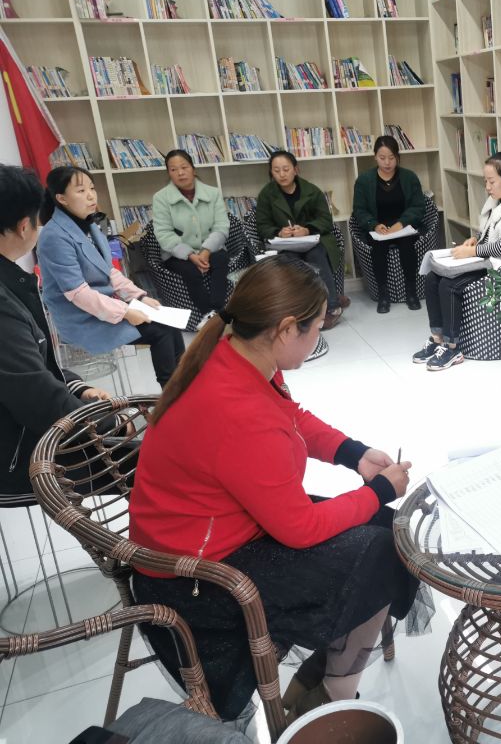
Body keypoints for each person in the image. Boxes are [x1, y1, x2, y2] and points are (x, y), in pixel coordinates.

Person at [129, 256, 425, 721]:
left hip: (221, 527)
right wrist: (380, 490)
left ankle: (319, 683)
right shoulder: (237, 410)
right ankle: (331, 698)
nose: (318, 337)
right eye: (317, 328)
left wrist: (353, 453)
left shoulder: (236, 352)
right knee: (383, 550)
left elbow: (291, 417)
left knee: (386, 528)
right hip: (197, 577)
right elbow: (299, 529)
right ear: (287, 329)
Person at [0, 164, 112, 497]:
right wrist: (108, 424)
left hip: (30, 423)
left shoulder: (12, 282)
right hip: (18, 453)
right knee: (158, 459)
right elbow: (35, 396)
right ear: (25, 226)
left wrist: (77, 387)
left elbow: (32, 363)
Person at [36, 166, 184, 388]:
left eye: (92, 188)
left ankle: (184, 385)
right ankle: (172, 394)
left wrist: (140, 297)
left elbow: (109, 272)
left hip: (104, 306)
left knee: (169, 322)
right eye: (81, 190)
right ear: (61, 198)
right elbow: (78, 294)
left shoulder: (89, 225)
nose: (91, 196)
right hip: (81, 317)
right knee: (159, 331)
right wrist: (125, 312)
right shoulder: (54, 236)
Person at [412, 149, 501, 371]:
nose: (487, 187)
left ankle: (452, 348)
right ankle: (438, 339)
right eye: (485, 181)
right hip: (488, 260)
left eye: (491, 181)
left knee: (449, 284)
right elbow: (492, 234)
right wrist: (476, 239)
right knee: (432, 278)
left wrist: (472, 252)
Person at [255, 150, 349, 330]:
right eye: (276, 170)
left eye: (286, 169)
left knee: (317, 256)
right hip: (285, 245)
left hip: (313, 241)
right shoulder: (267, 194)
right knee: (291, 262)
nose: (282, 174)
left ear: (295, 169)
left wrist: (307, 229)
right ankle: (301, 312)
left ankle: (332, 307)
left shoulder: (311, 191)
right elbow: (262, 225)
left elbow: (325, 220)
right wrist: (279, 232)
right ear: (271, 172)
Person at [151, 150, 230, 327]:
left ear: (193, 169)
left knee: (221, 261)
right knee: (190, 271)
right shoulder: (161, 198)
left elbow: (221, 226)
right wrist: (190, 255)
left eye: (184, 167)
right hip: (177, 253)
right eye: (173, 169)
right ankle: (207, 314)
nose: (180, 173)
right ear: (169, 173)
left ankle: (217, 311)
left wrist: (206, 250)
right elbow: (163, 234)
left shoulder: (213, 193)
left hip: (211, 248)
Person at [352, 135, 426, 314]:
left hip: (403, 227)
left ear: (397, 157)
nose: (387, 162)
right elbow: (359, 210)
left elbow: (419, 206)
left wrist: (402, 223)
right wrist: (374, 225)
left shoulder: (409, 177)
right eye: (382, 157)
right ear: (375, 157)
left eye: (391, 158)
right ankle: (383, 294)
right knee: (378, 247)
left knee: (407, 245)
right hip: (379, 229)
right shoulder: (364, 180)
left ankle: (411, 292)